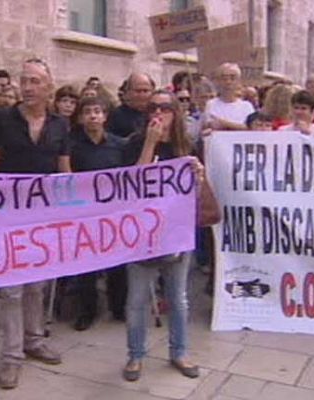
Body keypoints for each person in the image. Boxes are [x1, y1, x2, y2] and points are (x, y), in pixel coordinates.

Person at [0, 58, 68, 390]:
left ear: (49, 86)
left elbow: (65, 172)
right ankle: (12, 355)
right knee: (12, 288)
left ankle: (34, 340)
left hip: (43, 219)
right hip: (8, 215)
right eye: (24, 80)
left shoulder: (60, 125)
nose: (28, 87)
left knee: (37, 284)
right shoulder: (1, 119)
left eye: (35, 81)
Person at [121, 89, 202, 382]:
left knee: (178, 298)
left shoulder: (186, 144)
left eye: (165, 108)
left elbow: (194, 190)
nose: (158, 112)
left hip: (177, 233)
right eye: (153, 108)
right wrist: (149, 144)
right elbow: (132, 184)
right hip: (143, 234)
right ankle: (135, 355)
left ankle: (179, 351)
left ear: (175, 113)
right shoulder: (133, 143)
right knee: (138, 299)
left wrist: (199, 174)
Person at [68, 96, 127, 331]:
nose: (93, 115)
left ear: (105, 116)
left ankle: (119, 307)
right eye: (88, 112)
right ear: (81, 117)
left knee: (118, 264)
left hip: (113, 214)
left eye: (97, 111)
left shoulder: (119, 145)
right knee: (87, 266)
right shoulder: (71, 146)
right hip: (85, 214)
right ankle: (87, 311)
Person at [202, 63, 255, 133]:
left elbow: (251, 128)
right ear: (218, 81)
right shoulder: (211, 104)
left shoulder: (247, 106)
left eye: (232, 78)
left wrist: (224, 123)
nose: (228, 82)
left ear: (238, 81)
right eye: (224, 78)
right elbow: (210, 125)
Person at [107, 73, 154, 138]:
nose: (142, 95)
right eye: (138, 91)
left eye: (145, 91)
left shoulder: (157, 113)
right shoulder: (116, 115)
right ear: (128, 92)